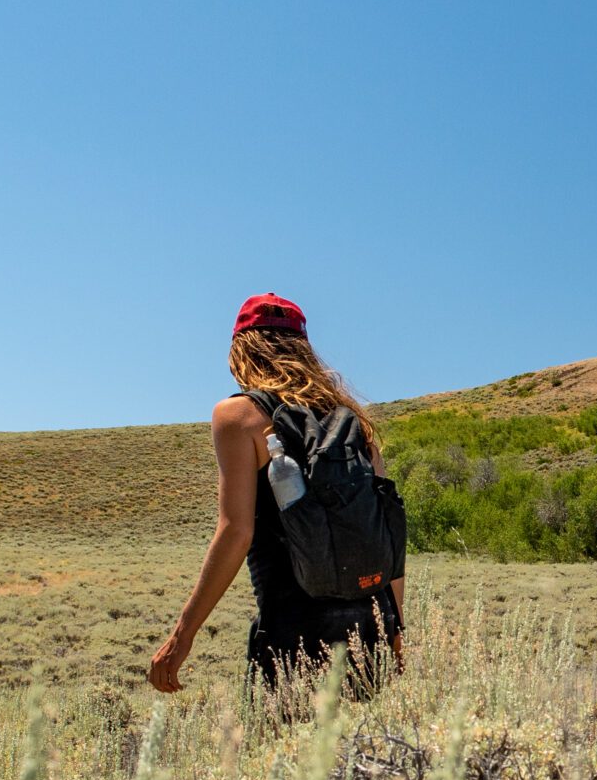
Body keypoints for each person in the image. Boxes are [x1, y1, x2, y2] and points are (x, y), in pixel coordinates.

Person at [147, 293, 404, 699]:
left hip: (292, 631)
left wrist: (183, 636)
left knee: (280, 757)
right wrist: (396, 630)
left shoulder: (239, 416)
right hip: (369, 626)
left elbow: (235, 532)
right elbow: (388, 535)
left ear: (242, 348)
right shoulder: (352, 422)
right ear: (303, 348)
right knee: (363, 758)